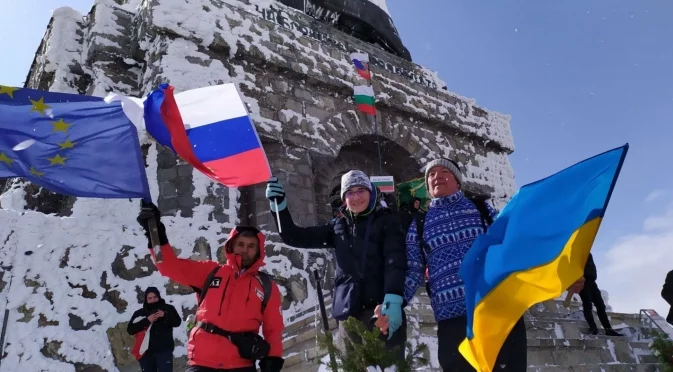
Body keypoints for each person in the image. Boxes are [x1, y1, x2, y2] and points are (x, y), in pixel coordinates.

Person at [265, 171, 408, 359]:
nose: (356, 197)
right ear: (344, 197)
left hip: (380, 312)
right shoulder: (338, 227)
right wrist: (279, 207)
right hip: (348, 315)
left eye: (361, 190)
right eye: (350, 192)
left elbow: (395, 260)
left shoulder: (387, 221)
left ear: (371, 192)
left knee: (387, 367)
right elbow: (294, 236)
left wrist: (393, 299)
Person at [402, 158, 527, 371]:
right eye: (431, 175)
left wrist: (558, 271)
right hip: (453, 320)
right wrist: (395, 302)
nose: (437, 177)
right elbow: (414, 269)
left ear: (458, 182)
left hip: (496, 309)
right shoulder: (420, 224)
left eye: (444, 172)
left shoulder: (481, 210)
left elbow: (510, 246)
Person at [137, 202, 285, 372]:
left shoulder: (266, 286)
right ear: (231, 246)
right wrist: (155, 231)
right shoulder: (211, 272)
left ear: (258, 251)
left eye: (251, 246)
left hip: (240, 365)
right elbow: (169, 266)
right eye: (241, 244)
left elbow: (273, 329)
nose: (245, 250)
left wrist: (272, 359)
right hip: (202, 362)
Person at [127, 287, 182, 372]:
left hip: (164, 351)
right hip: (146, 352)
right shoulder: (140, 313)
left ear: (159, 297)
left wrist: (165, 315)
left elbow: (177, 322)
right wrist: (147, 320)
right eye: (150, 298)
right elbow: (130, 330)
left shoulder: (168, 309)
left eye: (155, 297)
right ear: (146, 299)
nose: (153, 300)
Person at [577, 253, 622, 336]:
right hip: (582, 281)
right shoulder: (575, 252)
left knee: (601, 306)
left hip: (592, 281)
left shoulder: (587, 253)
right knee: (587, 305)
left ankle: (608, 329)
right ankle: (593, 328)